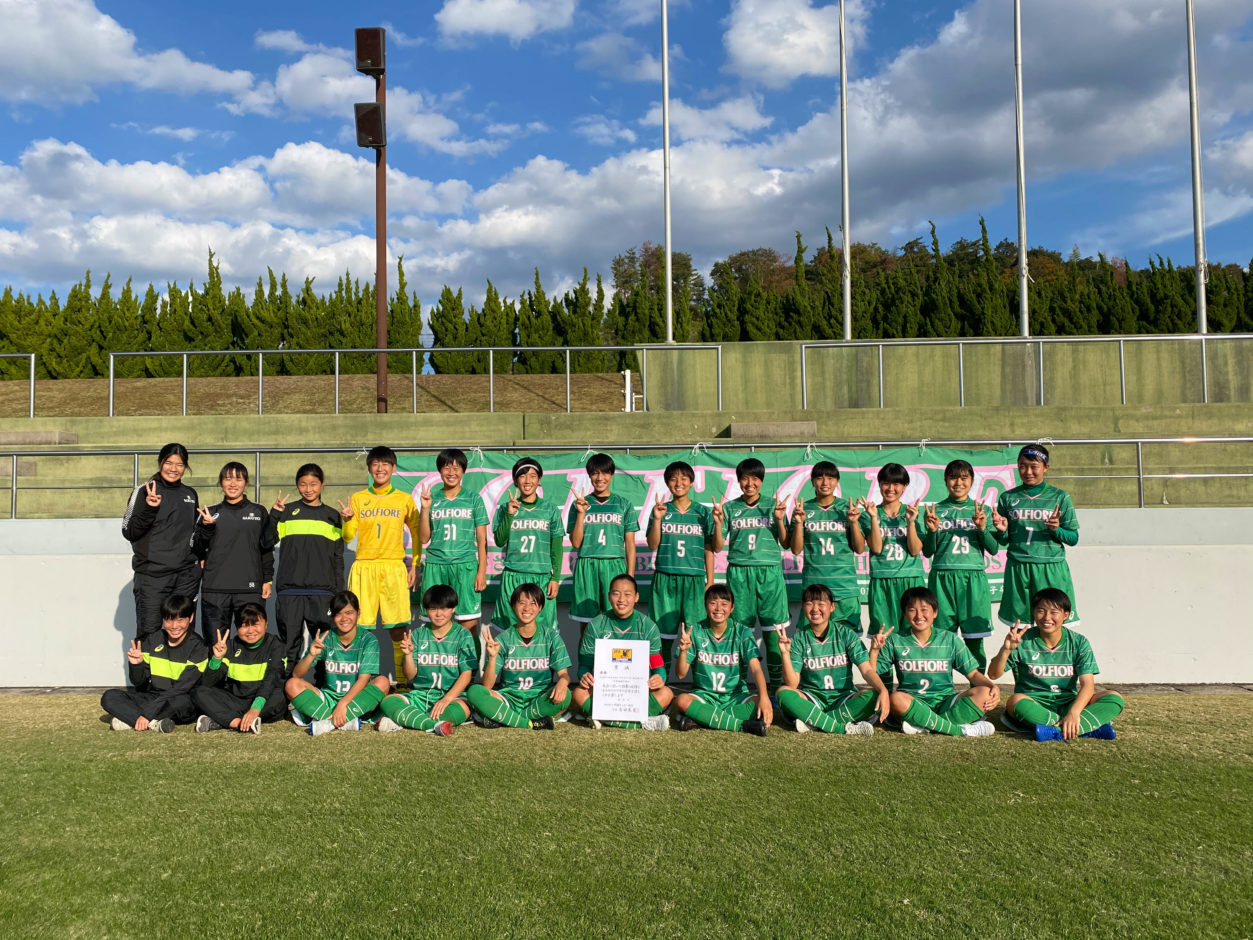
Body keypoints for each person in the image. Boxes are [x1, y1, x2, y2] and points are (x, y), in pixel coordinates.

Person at [988, 588, 1124, 742]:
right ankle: (1086, 728)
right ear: (1033, 612)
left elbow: (1088, 686)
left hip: (1068, 702)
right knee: (1015, 701)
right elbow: (993, 674)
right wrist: (1006, 650)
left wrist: (1073, 713)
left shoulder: (1079, 642)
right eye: (1041, 611)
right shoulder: (1021, 640)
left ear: (1066, 615)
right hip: (1034, 703)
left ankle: (1056, 731)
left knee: (1114, 698)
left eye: (1054, 612)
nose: (1047, 617)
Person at [869, 587, 998, 737]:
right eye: (912, 610)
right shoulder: (895, 640)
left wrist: (992, 686)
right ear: (904, 614)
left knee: (985, 694)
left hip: (945, 702)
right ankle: (958, 729)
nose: (919, 615)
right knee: (896, 699)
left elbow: (973, 674)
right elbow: (872, 673)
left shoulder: (950, 639)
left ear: (935, 612)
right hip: (912, 702)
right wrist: (874, 650)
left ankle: (923, 725)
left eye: (924, 609)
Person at [340, 445, 420, 688]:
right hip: (364, 567)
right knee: (359, 630)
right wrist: (345, 521)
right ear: (369, 468)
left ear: (393, 468)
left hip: (394, 567)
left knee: (398, 629)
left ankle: (404, 684)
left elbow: (417, 534)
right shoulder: (358, 498)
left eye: (385, 464)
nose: (380, 468)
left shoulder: (404, 499)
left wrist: (414, 565)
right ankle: (360, 685)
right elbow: (347, 537)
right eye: (375, 463)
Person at [776, 584, 889, 735]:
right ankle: (840, 727)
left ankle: (815, 721)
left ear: (832, 607)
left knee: (874, 696)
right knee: (783, 692)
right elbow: (792, 683)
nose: (815, 609)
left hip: (843, 698)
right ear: (803, 607)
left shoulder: (846, 634)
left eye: (821, 604)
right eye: (809, 604)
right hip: (812, 699)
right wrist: (785, 654)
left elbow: (867, 669)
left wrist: (883, 690)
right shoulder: (798, 639)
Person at [267, 463, 346, 677]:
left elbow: (338, 558)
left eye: (313, 484)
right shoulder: (287, 513)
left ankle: (324, 692)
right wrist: (274, 514)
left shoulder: (332, 516)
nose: (308, 489)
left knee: (324, 646)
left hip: (323, 594)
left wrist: (339, 594)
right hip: (289, 592)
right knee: (289, 646)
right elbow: (266, 541)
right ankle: (287, 694)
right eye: (303, 484)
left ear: (322, 484)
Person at [922, 459, 998, 670]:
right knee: (941, 640)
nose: (958, 483)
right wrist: (931, 531)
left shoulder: (983, 510)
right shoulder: (935, 510)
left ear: (972, 480)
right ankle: (943, 692)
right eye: (953, 477)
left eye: (964, 478)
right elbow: (927, 551)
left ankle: (979, 692)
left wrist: (982, 528)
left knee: (975, 641)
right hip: (942, 578)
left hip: (972, 578)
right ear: (946, 480)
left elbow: (993, 549)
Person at [647, 460, 723, 671]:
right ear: (667, 483)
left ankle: (702, 683)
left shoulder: (703, 512)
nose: (678, 483)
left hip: (695, 581)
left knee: (697, 635)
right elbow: (653, 544)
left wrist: (710, 581)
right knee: (662, 637)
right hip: (665, 578)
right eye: (673, 479)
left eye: (683, 478)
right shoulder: (661, 510)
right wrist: (656, 520)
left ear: (691, 482)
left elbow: (713, 548)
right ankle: (661, 682)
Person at [993, 444, 1080, 626]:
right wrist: (1002, 531)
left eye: (1034, 467)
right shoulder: (1007, 498)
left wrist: (1057, 530)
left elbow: (1073, 538)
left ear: (1046, 467)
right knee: (1019, 628)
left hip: (1050, 567)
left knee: (1052, 626)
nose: (1028, 471)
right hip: (1018, 568)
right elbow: (1002, 540)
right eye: (1023, 466)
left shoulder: (1060, 497)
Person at [122, 443, 201, 641]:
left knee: (185, 636)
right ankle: (147, 674)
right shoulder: (144, 491)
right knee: (150, 635)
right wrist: (149, 509)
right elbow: (128, 530)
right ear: (160, 463)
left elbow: (194, 534)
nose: (173, 469)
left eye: (180, 464)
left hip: (185, 577)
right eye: (169, 463)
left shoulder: (190, 494)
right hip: (152, 578)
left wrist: (202, 556)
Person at [571, 574, 671, 731]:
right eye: (616, 593)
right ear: (609, 596)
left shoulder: (649, 627)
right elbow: (584, 665)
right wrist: (584, 676)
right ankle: (643, 722)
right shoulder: (595, 625)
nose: (621, 599)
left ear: (637, 597)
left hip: (636, 691)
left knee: (666, 693)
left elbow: (658, 666)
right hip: (607, 691)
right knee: (578, 693)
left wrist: (660, 677)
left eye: (627, 594)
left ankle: (602, 718)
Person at [721, 458, 789, 688]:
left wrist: (780, 520)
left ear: (762, 480)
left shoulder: (773, 505)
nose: (750, 483)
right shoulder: (729, 508)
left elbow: (787, 543)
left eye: (755, 478)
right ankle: (739, 687)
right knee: (741, 634)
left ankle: (777, 689)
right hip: (739, 574)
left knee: (774, 634)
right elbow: (717, 543)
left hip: (769, 573)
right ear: (739, 480)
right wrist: (718, 521)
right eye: (745, 478)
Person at [466, 583, 571, 730]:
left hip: (539, 699)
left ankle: (504, 718)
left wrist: (562, 683)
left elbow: (564, 675)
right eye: (522, 603)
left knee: (566, 695)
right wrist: (493, 657)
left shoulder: (551, 637)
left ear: (540, 607)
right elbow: (487, 686)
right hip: (508, 699)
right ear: (513, 606)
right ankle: (529, 723)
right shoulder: (503, 639)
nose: (527, 608)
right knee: (475, 692)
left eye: (533, 603)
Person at [192, 461, 275, 646]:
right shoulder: (210, 513)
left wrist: (267, 579)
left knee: (251, 645)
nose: (233, 484)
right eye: (228, 478)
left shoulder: (258, 512)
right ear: (221, 483)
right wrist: (206, 528)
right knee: (215, 646)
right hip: (215, 590)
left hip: (250, 591)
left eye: (238, 479)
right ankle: (217, 677)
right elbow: (196, 548)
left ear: (246, 483)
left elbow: (266, 549)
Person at [416, 448, 489, 656]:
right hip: (436, 565)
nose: (451, 471)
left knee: (469, 621)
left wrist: (481, 570)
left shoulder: (474, 499)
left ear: (463, 471)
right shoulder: (432, 498)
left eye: (456, 467)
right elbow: (423, 538)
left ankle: (468, 670)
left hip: (465, 565)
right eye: (447, 466)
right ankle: (436, 666)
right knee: (433, 621)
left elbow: (482, 539)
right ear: (439, 470)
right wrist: (425, 509)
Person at [377, 584, 477, 736]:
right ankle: (432, 724)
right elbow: (410, 675)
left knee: (463, 708)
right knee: (388, 701)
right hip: (420, 696)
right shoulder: (418, 634)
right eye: (433, 609)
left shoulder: (463, 635)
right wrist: (408, 654)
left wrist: (446, 699)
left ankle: (406, 720)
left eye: (443, 608)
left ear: (453, 608)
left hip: (452, 697)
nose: (438, 614)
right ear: (426, 610)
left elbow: (466, 674)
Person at [673, 584, 772, 736]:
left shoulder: (742, 631)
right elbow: (680, 674)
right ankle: (741, 725)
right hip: (704, 695)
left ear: (732, 608)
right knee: (681, 701)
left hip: (735, 696)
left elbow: (756, 668)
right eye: (713, 603)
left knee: (759, 703)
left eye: (724, 604)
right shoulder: (695, 631)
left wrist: (765, 697)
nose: (718, 608)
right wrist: (684, 651)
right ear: (705, 606)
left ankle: (704, 719)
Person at [286, 591, 389, 736]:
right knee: (291, 684)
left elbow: (364, 679)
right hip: (329, 699)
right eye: (338, 614)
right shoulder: (326, 638)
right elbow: (297, 674)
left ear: (358, 613)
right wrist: (311, 654)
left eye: (349, 612)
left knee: (383, 682)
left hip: (356, 699)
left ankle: (328, 722)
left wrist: (343, 704)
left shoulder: (369, 639)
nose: (344, 618)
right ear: (333, 616)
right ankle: (340, 720)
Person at [101, 594, 207, 732]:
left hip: (179, 698)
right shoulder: (153, 640)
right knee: (109, 697)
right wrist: (136, 664)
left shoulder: (198, 647)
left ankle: (133, 720)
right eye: (169, 620)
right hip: (154, 697)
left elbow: (180, 689)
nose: (174, 626)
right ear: (163, 620)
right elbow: (138, 681)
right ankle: (153, 724)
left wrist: (148, 713)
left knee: (181, 702)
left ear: (190, 618)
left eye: (180, 620)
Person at [788, 460, 865, 636]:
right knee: (814, 645)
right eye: (820, 478)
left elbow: (860, 549)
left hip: (844, 589)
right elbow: (796, 550)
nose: (825, 483)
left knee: (848, 644)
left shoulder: (847, 508)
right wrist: (799, 523)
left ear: (837, 481)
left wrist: (853, 522)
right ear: (812, 481)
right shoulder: (803, 509)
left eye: (830, 478)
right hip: (814, 588)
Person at [491, 457, 565, 633]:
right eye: (522, 476)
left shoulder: (550, 510)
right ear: (516, 481)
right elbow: (500, 540)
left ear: (539, 480)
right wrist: (510, 514)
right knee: (509, 632)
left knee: (543, 632)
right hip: (513, 576)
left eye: (532, 476)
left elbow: (556, 547)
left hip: (541, 577)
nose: (527, 480)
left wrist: (555, 578)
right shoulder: (504, 508)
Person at [568, 452, 638, 635]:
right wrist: (581, 514)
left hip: (614, 563)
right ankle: (586, 663)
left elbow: (630, 544)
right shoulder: (580, 504)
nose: (600, 478)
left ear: (612, 474)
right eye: (595, 473)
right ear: (590, 475)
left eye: (605, 473)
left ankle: (614, 662)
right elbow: (576, 543)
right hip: (587, 564)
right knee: (586, 625)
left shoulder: (624, 504)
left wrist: (629, 576)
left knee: (616, 620)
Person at [192, 603, 288, 734]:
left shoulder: (276, 645)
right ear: (237, 627)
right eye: (244, 625)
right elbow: (208, 683)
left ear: (266, 623)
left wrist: (255, 708)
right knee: (199, 692)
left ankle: (222, 720)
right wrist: (217, 659)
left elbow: (271, 680)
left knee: (280, 696)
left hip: (263, 700)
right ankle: (238, 723)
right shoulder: (230, 646)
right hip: (236, 700)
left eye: (255, 624)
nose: (250, 631)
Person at [859, 463, 925, 634]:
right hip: (882, 580)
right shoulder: (869, 514)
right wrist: (874, 518)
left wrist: (910, 522)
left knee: (914, 635)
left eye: (896, 484)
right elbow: (876, 548)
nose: (891, 488)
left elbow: (915, 550)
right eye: (886, 483)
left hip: (911, 579)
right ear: (879, 484)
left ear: (904, 487)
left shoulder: (914, 512)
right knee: (883, 637)